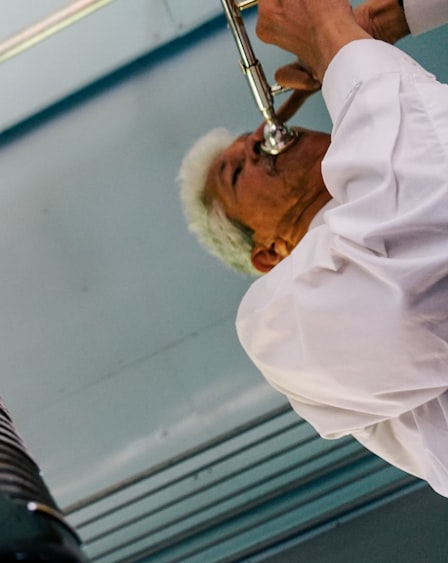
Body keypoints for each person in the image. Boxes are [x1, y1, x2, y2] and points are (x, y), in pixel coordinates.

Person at [177, 0, 448, 496]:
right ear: (268, 252)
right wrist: (330, 35)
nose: (257, 141)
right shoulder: (276, 322)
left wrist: (371, 27)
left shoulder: (382, 154)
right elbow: (422, 278)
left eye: (249, 137)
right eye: (236, 172)